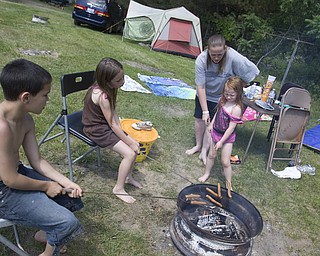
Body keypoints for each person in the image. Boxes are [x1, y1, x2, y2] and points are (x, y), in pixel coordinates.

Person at [0, 59, 84, 256]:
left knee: (71, 199)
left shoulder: (26, 120)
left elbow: (37, 161)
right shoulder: (2, 128)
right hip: (3, 192)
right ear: (26, 97)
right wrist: (46, 186)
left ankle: (46, 235)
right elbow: (10, 179)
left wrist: (66, 182)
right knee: (67, 222)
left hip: (15, 175)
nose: (47, 100)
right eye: (45, 95)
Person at [186, 34, 259, 164]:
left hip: (222, 97)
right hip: (204, 94)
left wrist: (234, 87)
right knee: (200, 119)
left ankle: (205, 150)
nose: (216, 58)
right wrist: (205, 111)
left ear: (225, 49)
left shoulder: (233, 57)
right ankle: (198, 146)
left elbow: (251, 72)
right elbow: (201, 87)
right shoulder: (201, 60)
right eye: (213, 54)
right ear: (207, 49)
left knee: (212, 126)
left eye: (219, 54)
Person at [82, 57, 142, 204]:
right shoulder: (102, 96)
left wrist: (124, 133)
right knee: (129, 153)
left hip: (104, 124)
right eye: (119, 80)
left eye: (123, 77)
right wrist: (129, 141)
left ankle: (128, 177)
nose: (122, 82)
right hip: (96, 129)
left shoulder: (109, 88)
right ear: (106, 81)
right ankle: (118, 189)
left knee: (133, 147)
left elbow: (112, 114)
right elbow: (111, 124)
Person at [198, 77, 245, 189]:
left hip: (227, 138)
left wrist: (221, 142)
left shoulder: (236, 108)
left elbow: (231, 128)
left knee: (225, 161)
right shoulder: (223, 100)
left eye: (232, 95)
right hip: (216, 133)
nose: (228, 97)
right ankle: (206, 174)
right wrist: (211, 124)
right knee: (211, 155)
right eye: (226, 94)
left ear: (238, 94)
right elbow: (218, 113)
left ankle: (229, 183)